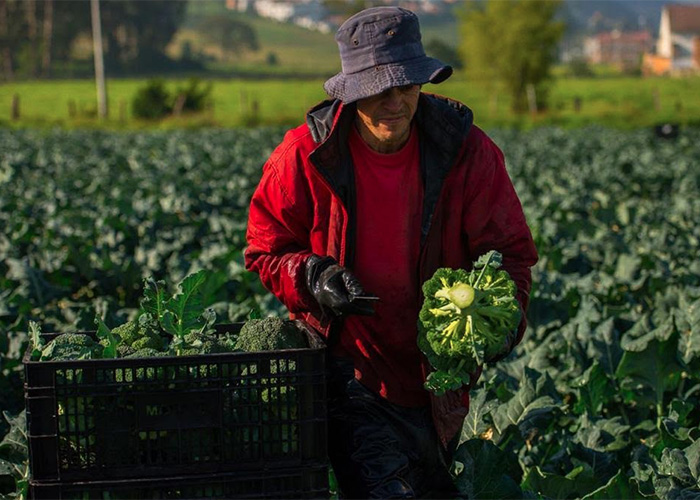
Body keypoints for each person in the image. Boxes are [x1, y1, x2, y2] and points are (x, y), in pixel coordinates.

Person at [245, 6, 538, 498]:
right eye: (378, 90)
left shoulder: (467, 152)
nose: (395, 102)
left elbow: (511, 254)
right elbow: (265, 249)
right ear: (351, 92)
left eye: (406, 85)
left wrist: (502, 322)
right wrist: (313, 275)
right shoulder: (304, 155)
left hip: (440, 381)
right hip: (353, 375)